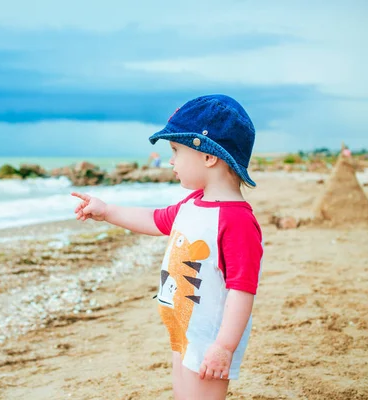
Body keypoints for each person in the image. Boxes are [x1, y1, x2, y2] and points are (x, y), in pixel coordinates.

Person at [71, 95, 263, 400]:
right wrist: (106, 211)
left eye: (175, 151)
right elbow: (155, 219)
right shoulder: (192, 204)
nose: (170, 160)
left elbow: (243, 290)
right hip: (185, 330)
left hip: (211, 341)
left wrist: (224, 347)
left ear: (209, 156)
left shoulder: (236, 221)